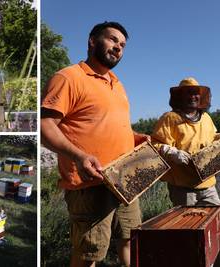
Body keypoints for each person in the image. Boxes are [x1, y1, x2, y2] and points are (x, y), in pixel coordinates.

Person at [41, 21, 148, 267]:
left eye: (122, 45)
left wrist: (138, 138)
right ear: (92, 40)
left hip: (125, 181)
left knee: (130, 239)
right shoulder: (68, 77)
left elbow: (110, 127)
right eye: (112, 40)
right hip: (90, 184)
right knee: (89, 253)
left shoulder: (117, 84)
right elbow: (46, 127)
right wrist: (79, 156)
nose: (118, 48)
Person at [151, 77, 220, 206]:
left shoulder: (206, 118)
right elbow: (154, 144)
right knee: (188, 224)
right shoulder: (169, 118)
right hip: (183, 188)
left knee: (214, 221)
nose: (193, 96)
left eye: (195, 93)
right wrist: (170, 151)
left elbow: (213, 137)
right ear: (180, 96)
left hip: (208, 185)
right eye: (188, 92)